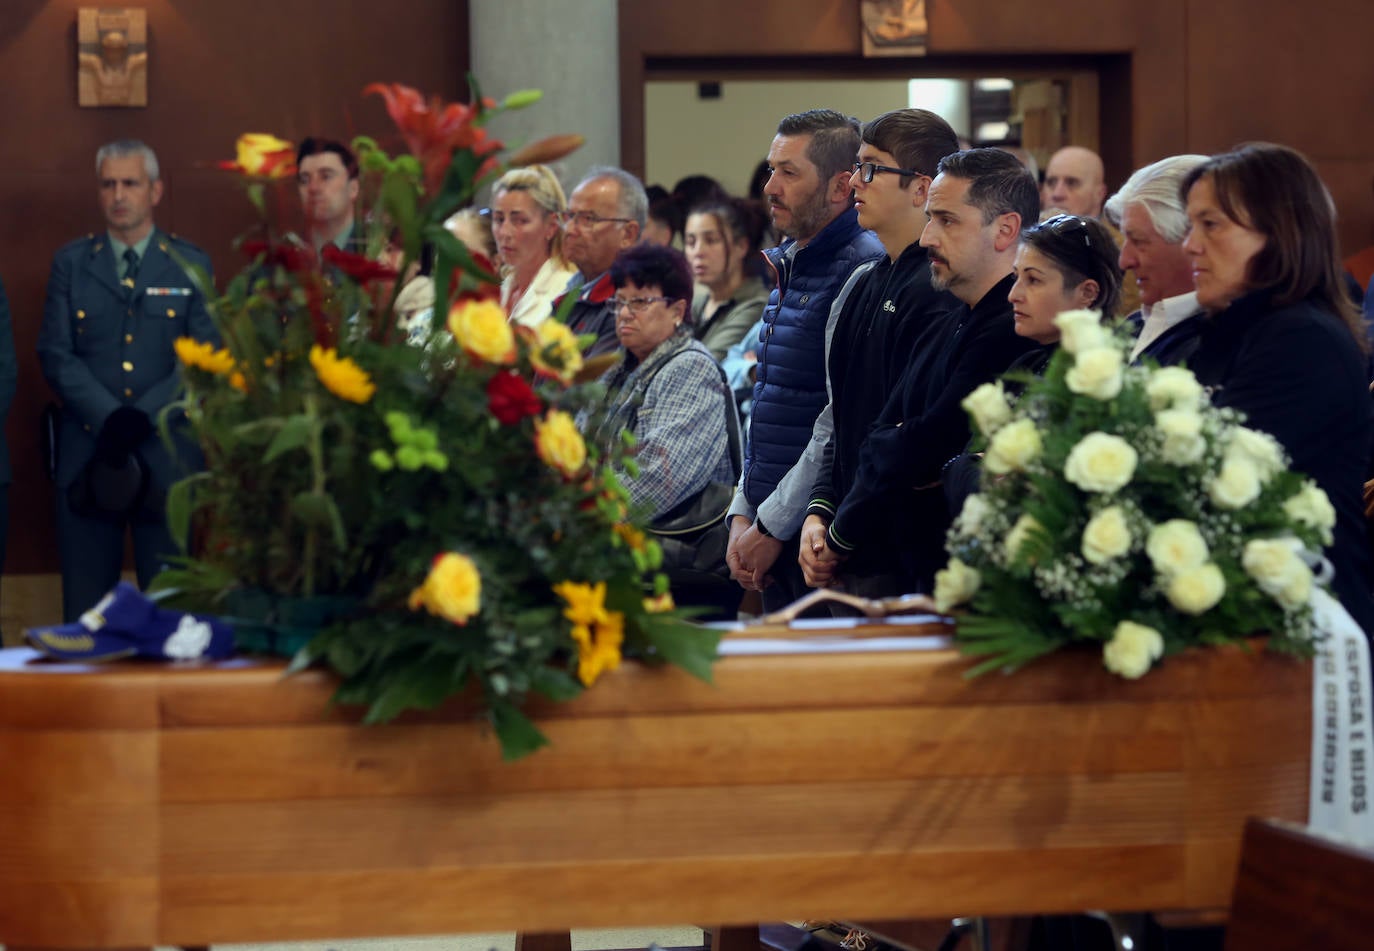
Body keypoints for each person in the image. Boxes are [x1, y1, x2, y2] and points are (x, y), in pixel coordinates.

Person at [801, 149, 1039, 594]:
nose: (928, 237)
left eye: (947, 220)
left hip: (941, 577)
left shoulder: (1013, 329)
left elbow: (926, 445)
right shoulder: (958, 313)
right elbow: (875, 431)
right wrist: (826, 510)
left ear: (1005, 229)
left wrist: (841, 534)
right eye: (930, 218)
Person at [1181, 142, 1374, 635]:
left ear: (1278, 235)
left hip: (1305, 630)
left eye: (1212, 224)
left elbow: (1216, 485)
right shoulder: (1237, 331)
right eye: (1190, 225)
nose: (1190, 244)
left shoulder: (1301, 339)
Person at [38, 140, 216, 622]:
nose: (119, 194)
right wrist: (110, 417)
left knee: (174, 616)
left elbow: (203, 358)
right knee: (85, 617)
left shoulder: (190, 263)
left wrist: (142, 416)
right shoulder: (71, 264)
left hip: (169, 455)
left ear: (155, 191)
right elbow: (56, 353)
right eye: (108, 184)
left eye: (130, 183)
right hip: (90, 451)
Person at [793, 107, 961, 597]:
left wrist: (842, 532)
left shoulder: (937, 289)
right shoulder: (866, 281)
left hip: (897, 554)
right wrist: (819, 510)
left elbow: (904, 434)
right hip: (845, 538)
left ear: (921, 188)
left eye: (870, 168)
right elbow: (840, 419)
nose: (853, 182)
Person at [724, 109, 884, 611]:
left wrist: (771, 522)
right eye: (772, 169)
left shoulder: (860, 266)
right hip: (771, 526)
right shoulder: (792, 260)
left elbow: (833, 421)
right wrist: (742, 512)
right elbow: (771, 404)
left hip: (815, 535)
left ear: (841, 186)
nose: (770, 186)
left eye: (789, 173)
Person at [584, 244, 737, 615]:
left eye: (640, 302)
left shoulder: (690, 368)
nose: (624, 314)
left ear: (677, 311)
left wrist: (577, 512)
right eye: (619, 302)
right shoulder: (616, 368)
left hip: (678, 568)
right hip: (621, 549)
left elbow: (656, 480)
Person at [1103, 154, 1210, 365]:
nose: (1125, 261)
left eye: (1139, 241)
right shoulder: (1132, 326)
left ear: (1189, 239)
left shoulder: (1215, 342)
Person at [558, 166, 647, 359]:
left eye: (588, 219)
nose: (571, 230)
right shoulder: (574, 288)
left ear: (628, 234)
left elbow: (589, 385)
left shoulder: (630, 305)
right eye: (569, 216)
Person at [490, 165, 577, 328]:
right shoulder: (502, 288)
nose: (504, 232)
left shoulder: (564, 291)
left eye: (520, 221)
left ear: (551, 226)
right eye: (499, 219)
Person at [684, 198, 770, 360]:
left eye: (711, 241)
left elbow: (705, 364)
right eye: (690, 242)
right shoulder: (698, 301)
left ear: (741, 246)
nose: (698, 252)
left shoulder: (757, 305)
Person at [296, 138, 362, 253]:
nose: (313, 188)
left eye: (326, 177)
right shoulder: (285, 256)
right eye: (304, 180)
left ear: (353, 188)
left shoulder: (380, 251)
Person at [1041, 145, 1108, 218]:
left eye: (1071, 183)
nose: (1057, 194)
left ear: (1099, 194)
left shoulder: (1118, 228)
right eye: (1051, 183)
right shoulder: (1029, 228)